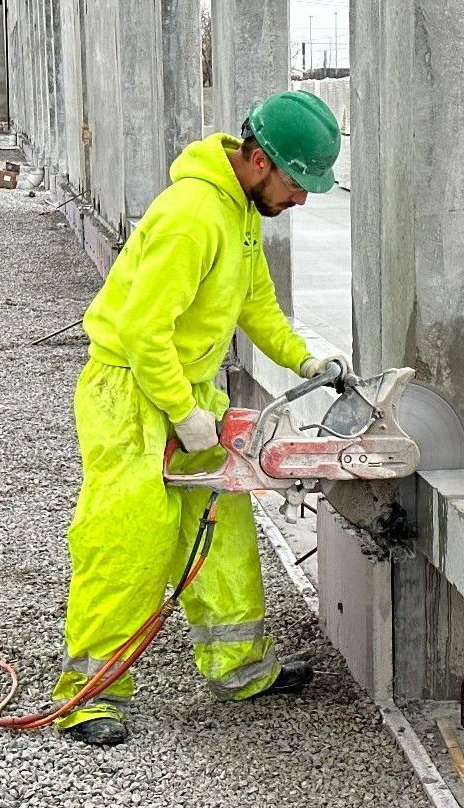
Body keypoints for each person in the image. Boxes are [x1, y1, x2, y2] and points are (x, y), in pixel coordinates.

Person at [53, 90, 349, 746]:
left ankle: (238, 664)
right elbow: (139, 328)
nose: (301, 199)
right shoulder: (193, 215)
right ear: (256, 159)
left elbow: (258, 307)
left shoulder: (240, 214)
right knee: (131, 537)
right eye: (298, 183)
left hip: (185, 393)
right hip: (132, 393)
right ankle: (91, 693)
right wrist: (185, 415)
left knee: (223, 525)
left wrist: (309, 360)